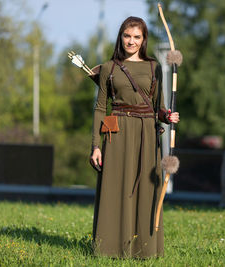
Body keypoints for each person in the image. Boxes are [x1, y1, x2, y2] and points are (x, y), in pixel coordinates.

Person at [89, 16, 179, 258]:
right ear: (121, 37)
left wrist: (167, 116)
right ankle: (109, 249)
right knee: (114, 189)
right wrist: (95, 146)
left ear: (143, 39)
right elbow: (100, 108)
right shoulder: (109, 68)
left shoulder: (154, 67)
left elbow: (158, 107)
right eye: (127, 36)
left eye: (136, 37)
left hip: (147, 134)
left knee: (147, 189)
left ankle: (145, 250)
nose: (131, 41)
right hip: (116, 134)